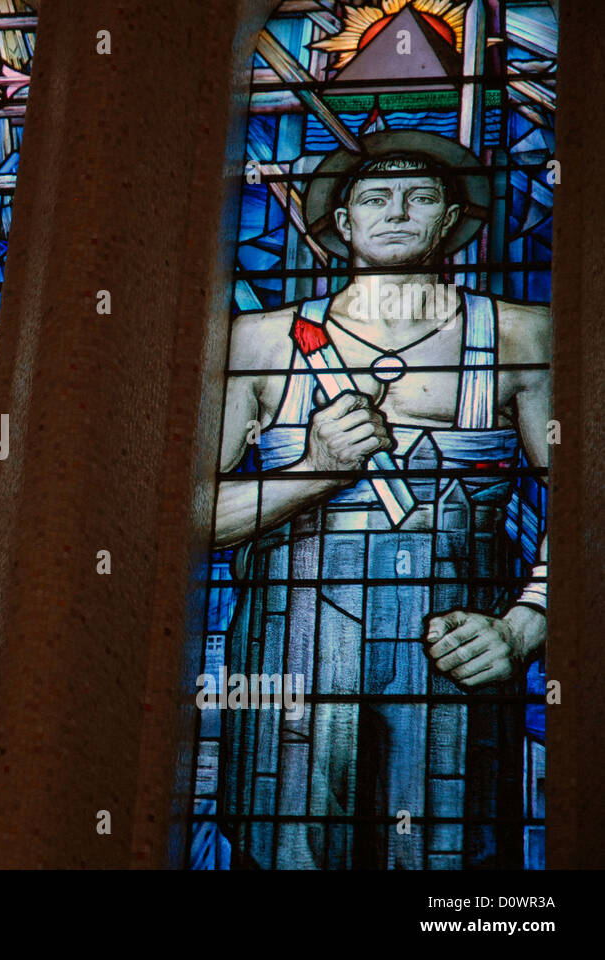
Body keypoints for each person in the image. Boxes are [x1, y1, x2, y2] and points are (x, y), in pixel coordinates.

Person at [215, 130, 548, 869]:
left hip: (455, 644)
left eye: (421, 196)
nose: (396, 210)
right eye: (375, 196)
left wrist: (525, 627)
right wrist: (312, 469)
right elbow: (183, 521)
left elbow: (585, 504)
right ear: (342, 224)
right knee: (288, 848)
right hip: (290, 639)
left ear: (455, 219)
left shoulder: (523, 335)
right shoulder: (261, 342)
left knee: (446, 856)